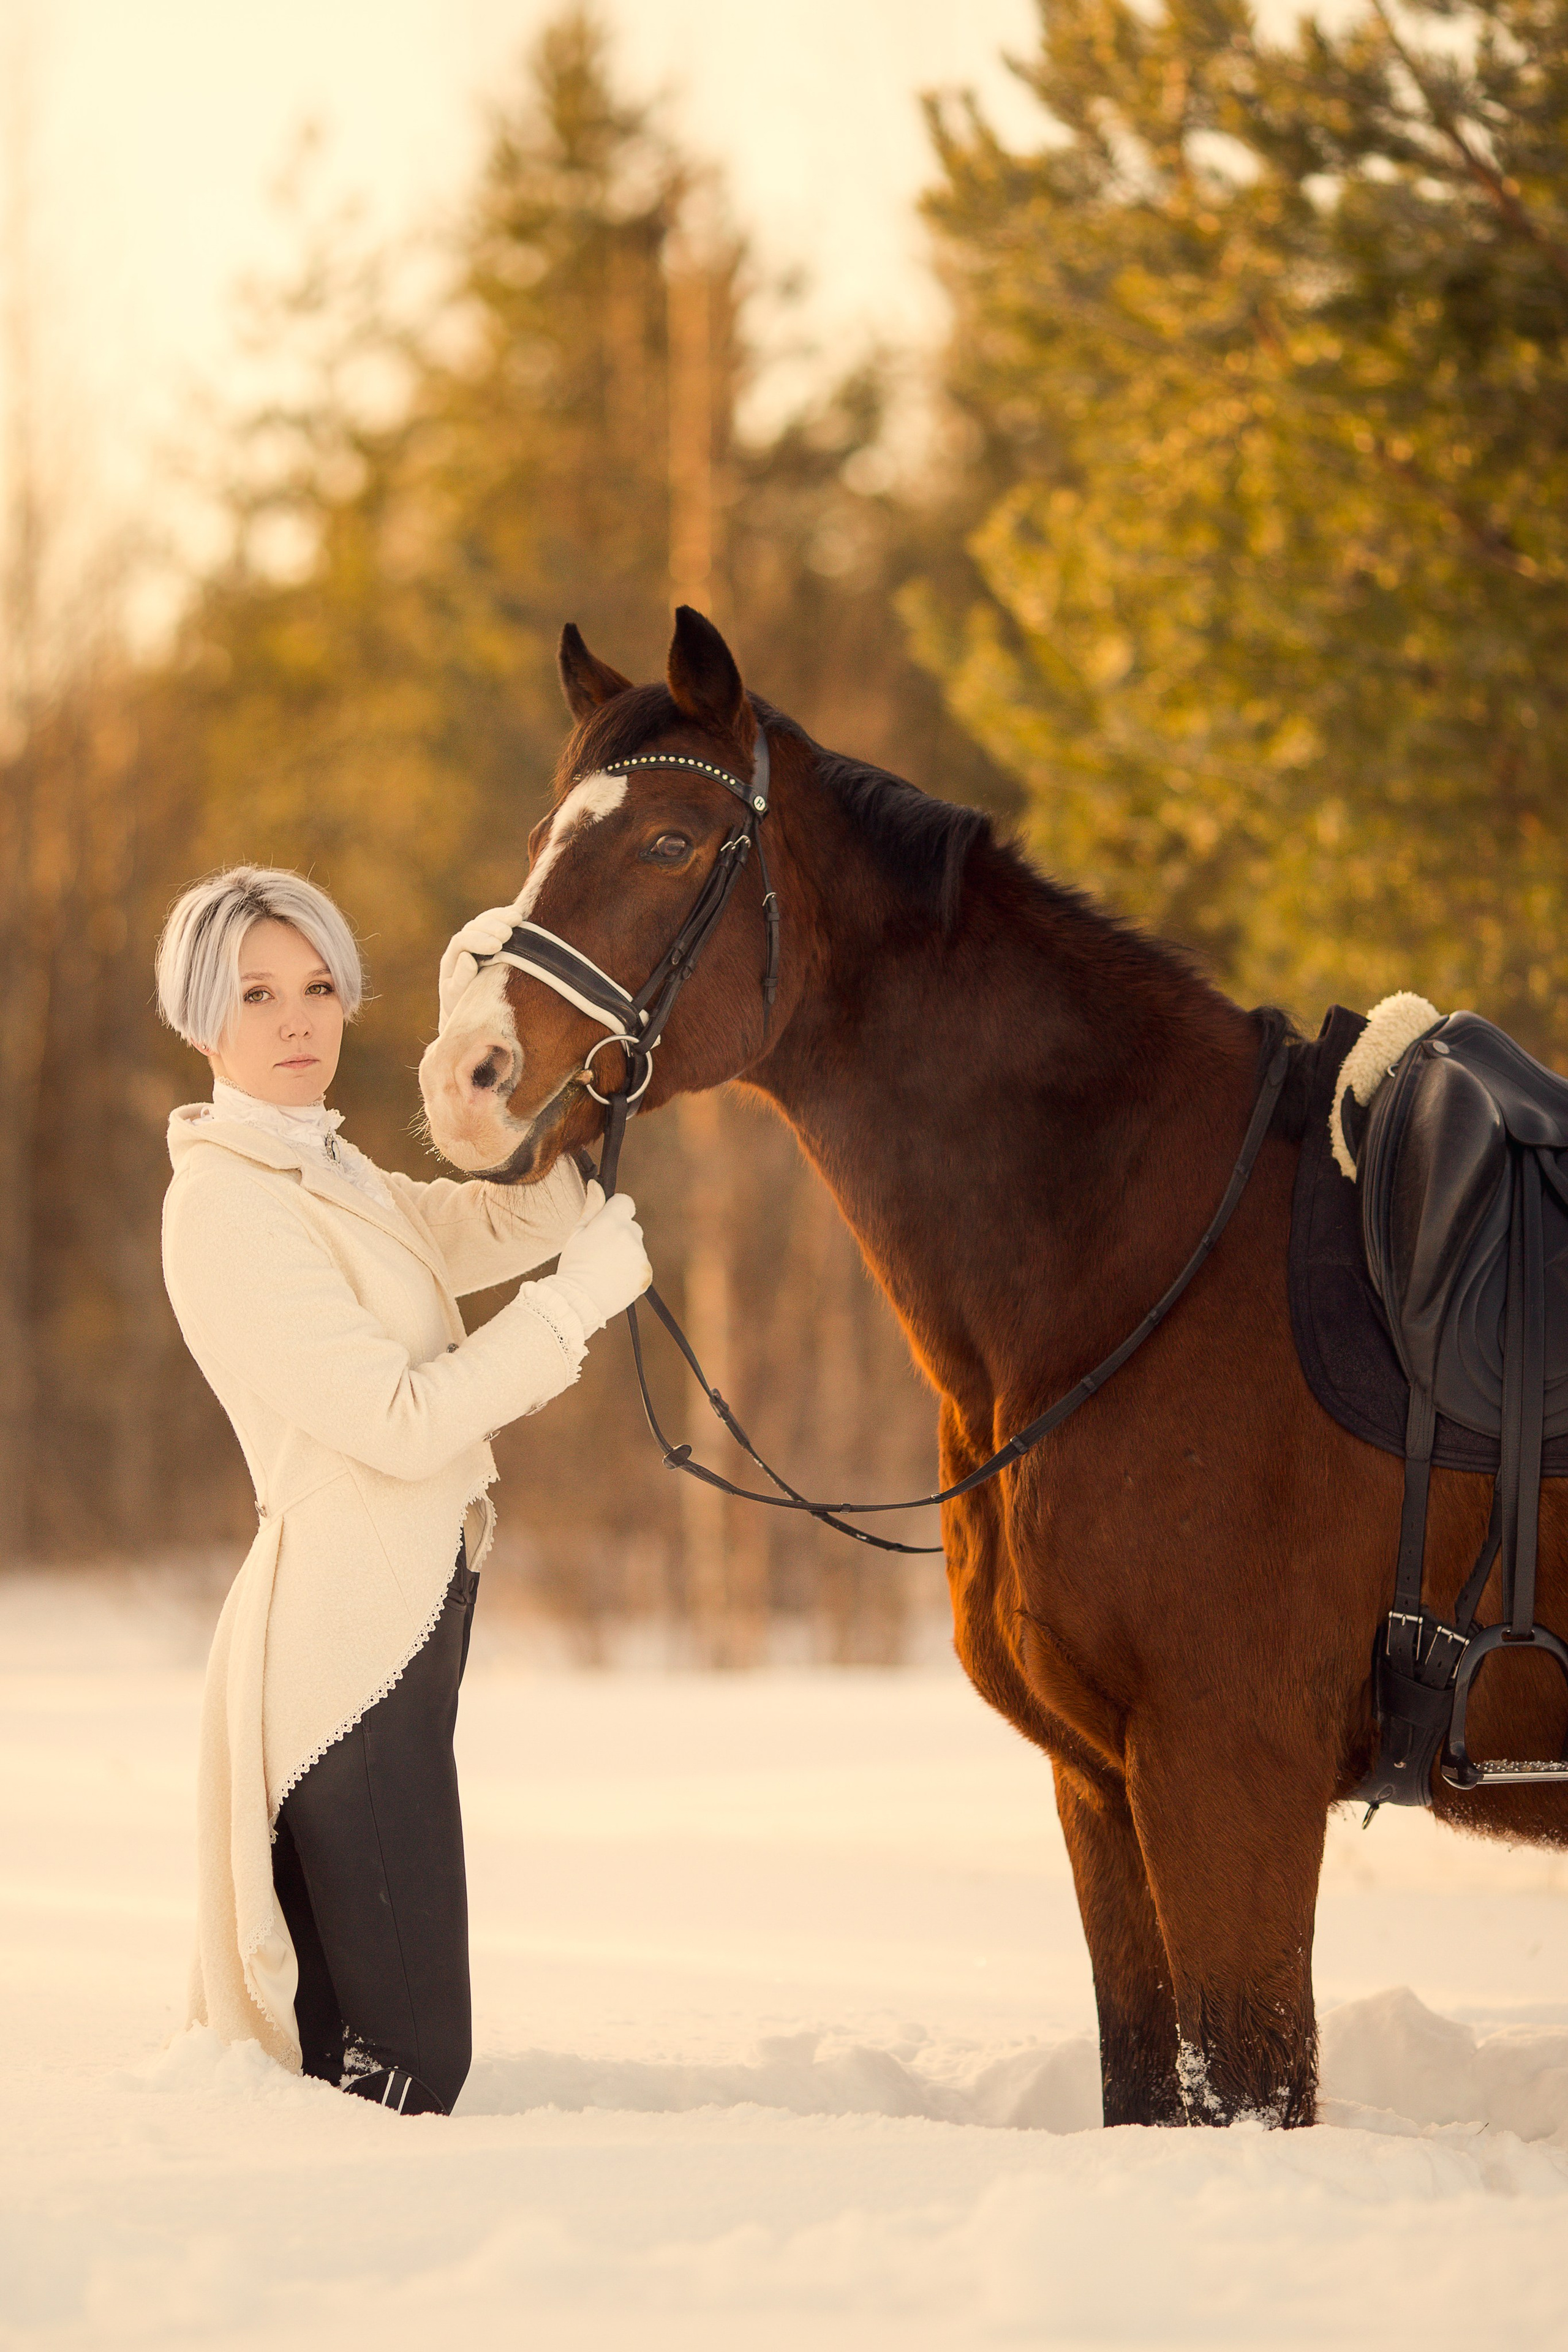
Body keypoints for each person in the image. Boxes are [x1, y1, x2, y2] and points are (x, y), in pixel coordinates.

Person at [156, 865, 649, 2116]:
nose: (296, 1020)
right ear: (200, 1015)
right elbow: (398, 1420)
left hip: (409, 1614)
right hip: (343, 1649)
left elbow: (492, 1225)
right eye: (257, 993)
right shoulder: (226, 1204)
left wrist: (495, 1037)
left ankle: (310, 2255)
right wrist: (577, 1302)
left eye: (318, 987)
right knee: (413, 2056)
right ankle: (344, 2261)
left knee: (354, 2042)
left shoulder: (334, 1173)